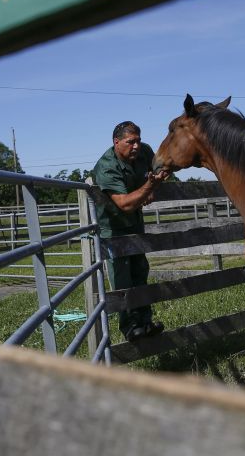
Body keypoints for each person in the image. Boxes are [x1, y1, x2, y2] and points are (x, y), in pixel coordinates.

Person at [92, 121, 169, 342]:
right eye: (130, 142)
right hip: (113, 227)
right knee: (122, 277)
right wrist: (148, 188)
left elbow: (161, 166)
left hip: (135, 222)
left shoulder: (144, 151)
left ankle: (145, 322)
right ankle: (130, 327)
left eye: (138, 140)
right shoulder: (107, 166)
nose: (136, 146)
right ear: (117, 143)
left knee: (140, 270)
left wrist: (153, 180)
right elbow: (124, 203)